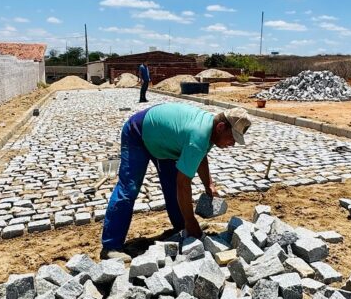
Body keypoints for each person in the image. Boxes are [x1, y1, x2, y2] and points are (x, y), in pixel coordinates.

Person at [101, 103, 251, 259]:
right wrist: (192, 220)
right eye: (233, 138)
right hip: (138, 132)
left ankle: (182, 227)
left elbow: (200, 155)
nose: (233, 144)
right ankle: (111, 246)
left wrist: (209, 185)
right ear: (221, 127)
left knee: (172, 186)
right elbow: (184, 183)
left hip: (163, 141)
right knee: (129, 188)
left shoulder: (210, 130)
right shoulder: (198, 135)